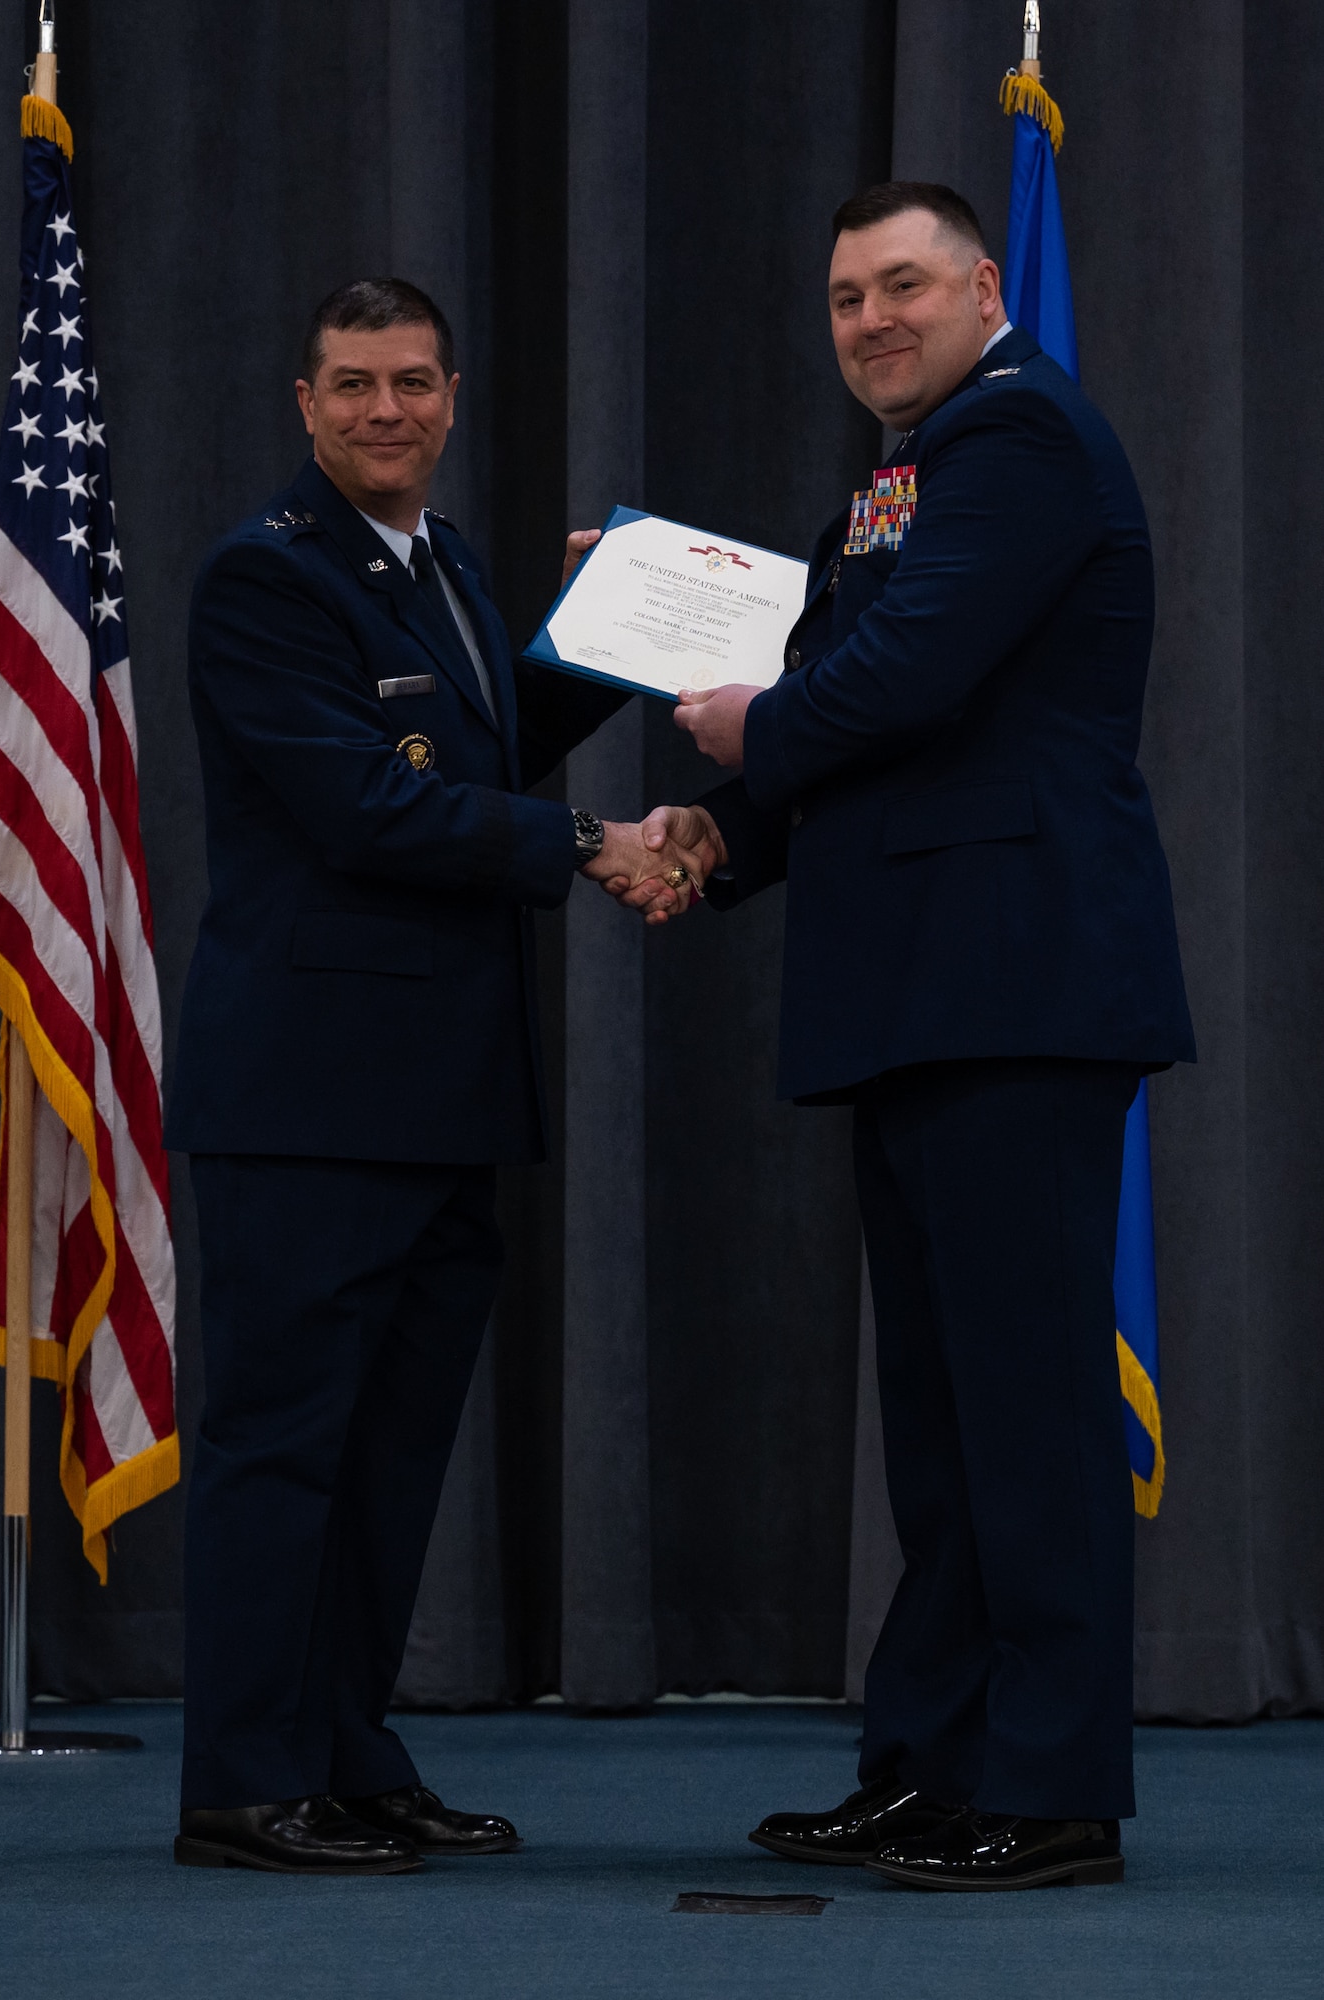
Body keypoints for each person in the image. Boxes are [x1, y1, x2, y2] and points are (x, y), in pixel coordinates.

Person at [618, 183, 1194, 1891]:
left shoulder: (1016, 442)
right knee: (943, 1422)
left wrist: (742, 731)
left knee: (1023, 1410)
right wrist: (722, 836)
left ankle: (1056, 1788)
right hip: (925, 984)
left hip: (1014, 981)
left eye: (901, 286)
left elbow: (904, 680)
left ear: (981, 286)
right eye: (845, 296)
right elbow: (863, 705)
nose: (870, 318)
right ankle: (934, 1764)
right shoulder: (907, 469)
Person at [166, 278, 698, 1875]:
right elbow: (364, 812)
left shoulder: (445, 564)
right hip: (309, 1100)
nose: (384, 411)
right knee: (281, 1448)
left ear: (452, 397)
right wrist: (602, 845)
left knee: (388, 1452)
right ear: (304, 403)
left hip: (442, 1093)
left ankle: (347, 1752)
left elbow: (477, 758)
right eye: (352, 386)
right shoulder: (262, 579)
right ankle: (246, 1784)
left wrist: (604, 637)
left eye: (410, 383)